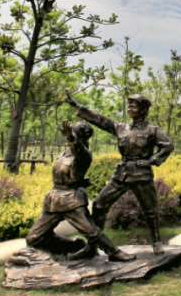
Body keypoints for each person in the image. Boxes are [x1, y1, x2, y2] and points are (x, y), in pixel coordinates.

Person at [66, 92, 174, 255]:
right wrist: (76, 106)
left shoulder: (152, 130)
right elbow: (100, 120)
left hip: (141, 175)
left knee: (150, 210)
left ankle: (157, 242)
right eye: (129, 105)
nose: (130, 108)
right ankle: (93, 245)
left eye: (134, 106)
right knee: (99, 204)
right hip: (121, 174)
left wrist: (151, 160)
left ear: (143, 110)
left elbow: (167, 145)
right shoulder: (121, 128)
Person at [25, 120, 133, 262]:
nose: (68, 136)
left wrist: (71, 138)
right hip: (54, 199)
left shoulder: (83, 154)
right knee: (34, 238)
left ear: (80, 138)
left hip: (71, 200)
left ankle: (114, 252)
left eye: (73, 134)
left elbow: (78, 150)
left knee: (91, 231)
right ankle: (73, 245)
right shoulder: (65, 154)